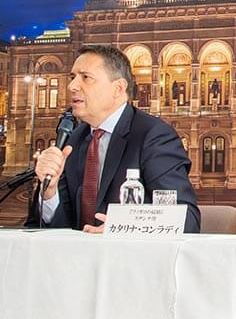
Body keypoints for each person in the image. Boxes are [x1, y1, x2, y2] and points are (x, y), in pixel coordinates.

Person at [28, 45, 200, 233]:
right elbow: (56, 225)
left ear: (118, 88)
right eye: (72, 77)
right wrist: (50, 193)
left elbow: (186, 218)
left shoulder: (154, 136)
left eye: (85, 77)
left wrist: (123, 228)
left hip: (128, 251)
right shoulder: (74, 139)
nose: (72, 86)